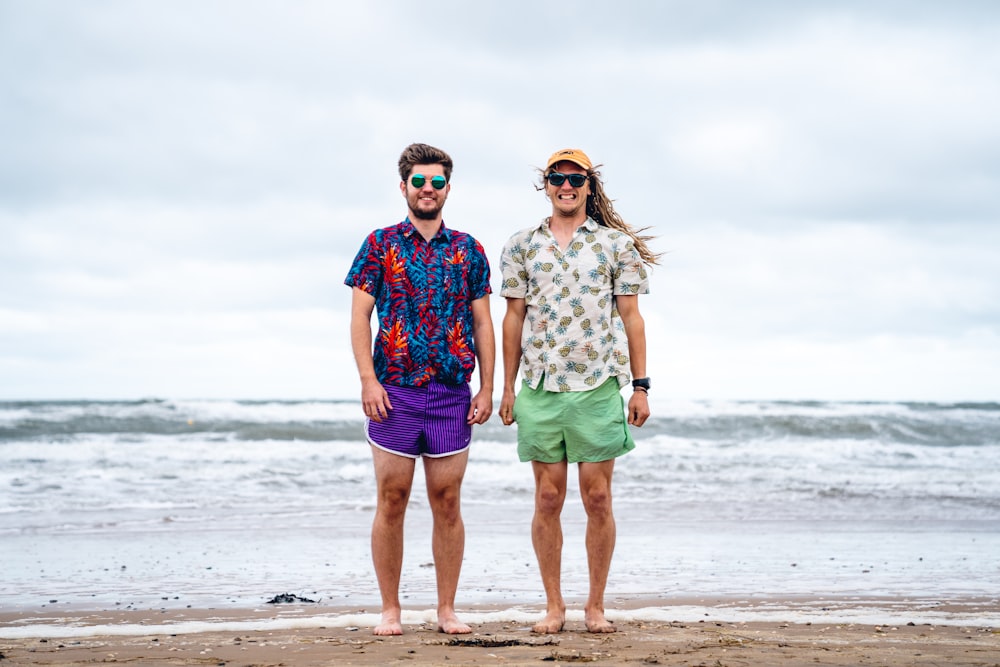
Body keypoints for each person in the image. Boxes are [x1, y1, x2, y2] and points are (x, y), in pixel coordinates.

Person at [498, 148, 660, 634]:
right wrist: (505, 387)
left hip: (597, 386)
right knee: (548, 499)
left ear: (590, 186)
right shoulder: (522, 244)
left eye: (575, 178)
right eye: (556, 177)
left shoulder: (615, 246)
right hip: (541, 387)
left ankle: (595, 606)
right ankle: (553, 606)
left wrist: (642, 386)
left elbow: (632, 318)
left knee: (598, 499)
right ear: (545, 185)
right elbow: (513, 318)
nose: (565, 185)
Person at [345, 143, 495, 636]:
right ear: (404, 185)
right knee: (392, 497)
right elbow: (360, 317)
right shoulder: (380, 244)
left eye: (436, 182)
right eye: (418, 181)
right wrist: (368, 379)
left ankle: (446, 609)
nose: (427, 190)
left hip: (452, 393)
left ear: (448, 188)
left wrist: (487, 387)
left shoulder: (468, 249)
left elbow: (483, 322)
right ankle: (391, 610)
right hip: (395, 391)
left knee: (447, 499)